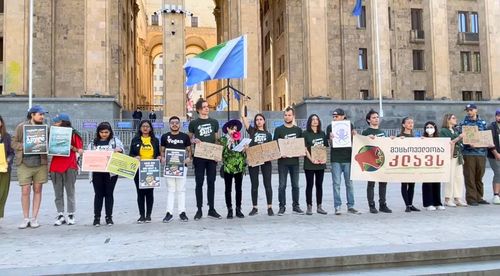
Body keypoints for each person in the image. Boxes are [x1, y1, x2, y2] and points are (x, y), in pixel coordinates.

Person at [12, 105, 49, 228]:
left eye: (43, 114)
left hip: (40, 163)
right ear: (32, 115)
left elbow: (52, 142)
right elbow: (13, 142)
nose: (42, 116)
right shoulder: (21, 127)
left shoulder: (46, 128)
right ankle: (25, 218)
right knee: (25, 190)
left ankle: (34, 218)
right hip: (24, 163)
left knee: (38, 189)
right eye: (40, 114)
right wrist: (25, 146)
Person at [188, 98, 222, 220]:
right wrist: (193, 141)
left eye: (208, 106)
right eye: (204, 107)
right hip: (199, 156)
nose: (207, 108)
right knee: (199, 183)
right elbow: (189, 139)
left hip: (211, 156)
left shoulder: (214, 122)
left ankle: (211, 209)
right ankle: (199, 209)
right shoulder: (194, 123)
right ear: (198, 109)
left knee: (211, 182)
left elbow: (217, 139)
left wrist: (218, 154)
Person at [49, 113, 83, 226]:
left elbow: (80, 150)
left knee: (70, 191)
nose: (55, 124)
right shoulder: (52, 133)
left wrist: (70, 147)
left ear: (63, 122)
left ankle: (71, 214)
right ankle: (60, 214)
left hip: (70, 165)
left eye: (57, 122)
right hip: (55, 165)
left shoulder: (74, 134)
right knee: (57, 192)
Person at [88, 122, 124, 226]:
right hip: (97, 172)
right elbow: (88, 155)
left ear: (110, 132)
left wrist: (120, 150)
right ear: (98, 132)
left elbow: (122, 152)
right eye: (101, 132)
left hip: (111, 173)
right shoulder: (93, 142)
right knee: (98, 195)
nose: (104, 134)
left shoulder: (115, 141)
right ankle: (97, 217)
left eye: (106, 132)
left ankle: (109, 217)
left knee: (109, 194)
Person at [326, 108, 360, 215]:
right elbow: (330, 143)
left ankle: (351, 205)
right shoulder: (330, 127)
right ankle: (337, 206)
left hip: (347, 158)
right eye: (333, 116)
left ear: (343, 116)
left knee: (349, 183)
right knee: (336, 183)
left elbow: (353, 141)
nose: (335, 118)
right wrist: (330, 138)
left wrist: (355, 135)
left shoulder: (350, 125)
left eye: (336, 116)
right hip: (336, 158)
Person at [242, 112, 274, 216]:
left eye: (260, 119)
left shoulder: (268, 134)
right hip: (254, 160)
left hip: (266, 162)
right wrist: (244, 103)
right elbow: (244, 118)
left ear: (264, 121)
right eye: (257, 120)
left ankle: (269, 207)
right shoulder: (252, 131)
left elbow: (271, 149)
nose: (259, 121)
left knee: (267, 184)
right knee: (254, 184)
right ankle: (254, 207)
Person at [160, 116, 192, 222]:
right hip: (169, 167)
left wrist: (188, 158)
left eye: (176, 122)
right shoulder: (165, 136)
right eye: (172, 123)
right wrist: (163, 158)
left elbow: (189, 150)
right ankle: (169, 212)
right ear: (169, 124)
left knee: (181, 190)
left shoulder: (185, 137)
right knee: (170, 190)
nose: (174, 124)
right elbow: (162, 150)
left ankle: (182, 212)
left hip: (182, 167)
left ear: (180, 124)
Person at [274, 106, 304, 215]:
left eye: (289, 115)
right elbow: (275, 145)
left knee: (295, 185)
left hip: (295, 162)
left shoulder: (298, 130)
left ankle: (296, 206)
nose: (287, 117)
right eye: (286, 115)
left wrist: (301, 152)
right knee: (282, 185)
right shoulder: (279, 130)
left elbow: (301, 145)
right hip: (283, 162)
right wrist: (281, 153)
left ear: (293, 116)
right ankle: (282, 207)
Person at [129, 120, 161, 223]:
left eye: (147, 126)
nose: (145, 128)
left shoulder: (155, 140)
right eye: (143, 126)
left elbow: (158, 154)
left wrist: (159, 157)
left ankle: (148, 215)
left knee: (150, 193)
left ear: (150, 128)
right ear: (140, 128)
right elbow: (130, 155)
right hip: (139, 169)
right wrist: (135, 157)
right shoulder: (135, 140)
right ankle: (141, 215)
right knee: (140, 193)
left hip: (151, 169)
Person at [362, 109, 392, 214]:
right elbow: (362, 146)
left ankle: (383, 204)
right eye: (374, 117)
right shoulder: (366, 132)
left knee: (383, 183)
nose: (376, 119)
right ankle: (371, 205)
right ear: (368, 120)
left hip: (382, 160)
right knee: (371, 184)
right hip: (371, 161)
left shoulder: (382, 132)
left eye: (377, 117)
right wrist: (366, 138)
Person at [459, 104, 489, 205]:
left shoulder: (483, 122)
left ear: (476, 110)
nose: (469, 112)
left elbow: (486, 136)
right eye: (467, 110)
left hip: (481, 153)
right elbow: (460, 138)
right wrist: (467, 143)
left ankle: (479, 197)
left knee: (479, 176)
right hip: (468, 153)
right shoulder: (463, 123)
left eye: (471, 110)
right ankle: (471, 198)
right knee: (470, 176)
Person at [303, 114, 328, 215]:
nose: (315, 121)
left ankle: (319, 206)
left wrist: (323, 159)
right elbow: (304, 148)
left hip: (320, 163)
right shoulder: (305, 134)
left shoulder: (322, 133)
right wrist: (311, 159)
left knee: (319, 185)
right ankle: (309, 206)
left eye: (316, 119)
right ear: (309, 122)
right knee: (309, 185)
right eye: (313, 119)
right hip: (310, 163)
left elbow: (324, 147)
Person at [220, 119, 246, 219]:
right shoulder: (223, 140)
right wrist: (228, 143)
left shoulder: (239, 139)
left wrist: (244, 150)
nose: (234, 131)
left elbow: (243, 155)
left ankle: (238, 209)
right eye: (232, 129)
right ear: (227, 129)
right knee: (228, 189)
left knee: (238, 189)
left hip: (239, 167)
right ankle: (229, 209)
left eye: (235, 129)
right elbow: (223, 154)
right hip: (228, 167)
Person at [440, 114, 467, 207]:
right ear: (448, 120)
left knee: (458, 177)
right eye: (453, 118)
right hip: (449, 157)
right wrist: (459, 137)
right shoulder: (443, 131)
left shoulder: (455, 130)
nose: (456, 119)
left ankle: (457, 197)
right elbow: (446, 143)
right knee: (449, 177)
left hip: (458, 156)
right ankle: (447, 198)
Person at [421, 121, 445, 211]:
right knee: (427, 183)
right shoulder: (422, 139)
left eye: (431, 127)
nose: (429, 129)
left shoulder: (439, 139)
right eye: (427, 127)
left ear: (435, 128)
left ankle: (437, 202)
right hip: (426, 163)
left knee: (436, 183)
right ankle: (428, 203)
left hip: (436, 163)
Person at [398, 117, 420, 213]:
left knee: (412, 185)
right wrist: (397, 140)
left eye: (412, 122)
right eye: (408, 123)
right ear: (404, 125)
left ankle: (410, 204)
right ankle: (407, 204)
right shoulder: (400, 136)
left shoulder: (414, 137)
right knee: (404, 184)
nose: (411, 124)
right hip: (403, 164)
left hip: (412, 163)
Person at [0, 115, 14, 222]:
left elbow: (11, 153)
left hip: (4, 170)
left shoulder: (7, 137)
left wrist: (7, 161)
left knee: (2, 194)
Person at [487, 109, 500, 204]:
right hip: (494, 154)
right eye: (498, 115)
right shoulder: (491, 127)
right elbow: (489, 141)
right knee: (498, 172)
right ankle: (496, 195)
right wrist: (496, 153)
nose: (499, 117)